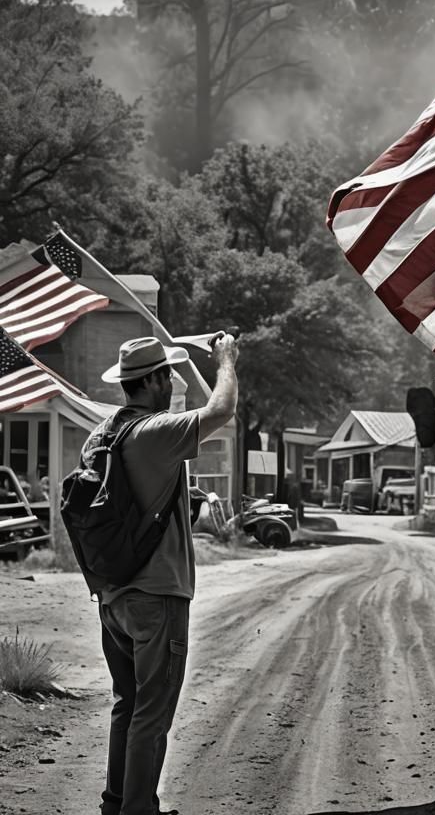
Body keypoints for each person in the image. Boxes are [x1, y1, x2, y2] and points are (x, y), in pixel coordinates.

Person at [92, 334, 238, 815]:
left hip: (113, 595)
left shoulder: (104, 434)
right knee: (152, 715)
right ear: (151, 381)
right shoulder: (156, 433)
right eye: (168, 376)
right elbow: (221, 412)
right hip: (157, 595)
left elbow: (203, 409)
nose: (174, 383)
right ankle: (138, 811)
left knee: (127, 706)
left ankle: (118, 804)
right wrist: (225, 361)